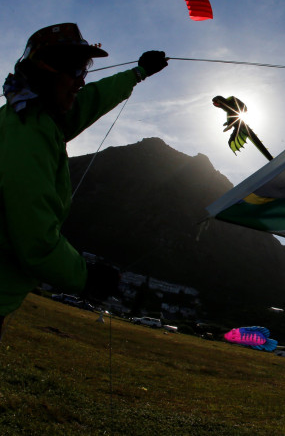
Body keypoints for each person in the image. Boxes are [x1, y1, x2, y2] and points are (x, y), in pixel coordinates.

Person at [0, 23, 168, 340]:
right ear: (44, 71)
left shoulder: (39, 114)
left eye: (84, 70)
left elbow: (91, 99)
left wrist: (139, 72)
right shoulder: (28, 133)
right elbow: (33, 237)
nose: (81, 81)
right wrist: (86, 277)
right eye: (75, 69)